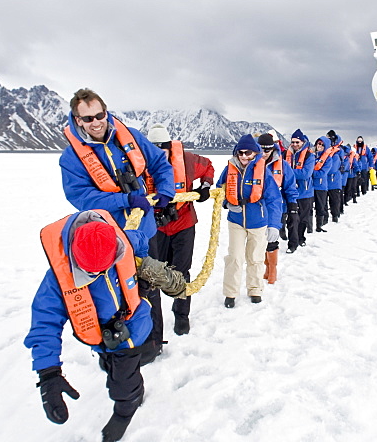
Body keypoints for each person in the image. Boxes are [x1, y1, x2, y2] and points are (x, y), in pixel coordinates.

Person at [23, 208, 187, 442]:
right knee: (111, 369)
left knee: (123, 383)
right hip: (102, 338)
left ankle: (126, 407)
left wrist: (149, 268)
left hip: (133, 330)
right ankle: (127, 385)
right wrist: (48, 373)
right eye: (91, 274)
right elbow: (44, 323)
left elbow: (140, 241)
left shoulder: (125, 240)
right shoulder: (58, 279)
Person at [58, 88, 175, 240]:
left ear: (106, 113)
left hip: (146, 230)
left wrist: (166, 190)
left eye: (99, 116)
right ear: (78, 120)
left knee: (157, 264)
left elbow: (160, 163)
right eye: (88, 119)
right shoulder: (71, 158)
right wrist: (126, 200)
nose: (96, 123)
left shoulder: (132, 136)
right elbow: (82, 197)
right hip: (109, 236)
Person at [145, 124, 214, 337]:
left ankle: (181, 315)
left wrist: (204, 186)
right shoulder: (138, 165)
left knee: (182, 272)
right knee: (152, 274)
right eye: (153, 151)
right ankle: (152, 323)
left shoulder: (188, 160)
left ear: (169, 148)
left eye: (161, 150)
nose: (158, 155)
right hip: (155, 227)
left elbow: (209, 166)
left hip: (183, 224)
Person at [217, 134, 282, 307]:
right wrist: (227, 204)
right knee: (235, 257)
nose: (244, 156)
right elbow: (219, 190)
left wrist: (275, 225)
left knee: (255, 258)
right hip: (236, 221)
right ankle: (230, 293)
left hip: (258, 222)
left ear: (255, 153)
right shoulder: (229, 169)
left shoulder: (263, 172)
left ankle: (255, 289)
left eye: (248, 153)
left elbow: (274, 199)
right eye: (241, 153)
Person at [257, 132, 293, 285]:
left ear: (273, 149)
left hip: (276, 207)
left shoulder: (282, 165)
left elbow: (290, 186)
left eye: (267, 150)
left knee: (272, 239)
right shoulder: (252, 163)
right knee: (259, 241)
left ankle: (272, 269)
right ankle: (265, 267)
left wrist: (293, 205)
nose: (264, 154)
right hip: (257, 209)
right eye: (261, 150)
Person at [285, 129, 314, 252]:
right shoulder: (287, 155)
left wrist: (288, 172)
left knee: (303, 219)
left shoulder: (309, 156)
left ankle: (301, 238)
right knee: (292, 219)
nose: (295, 144)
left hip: (305, 192)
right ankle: (292, 244)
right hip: (292, 192)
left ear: (302, 142)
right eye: (293, 142)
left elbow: (305, 174)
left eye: (297, 142)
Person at [310, 136, 338, 233]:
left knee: (320, 206)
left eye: (322, 144)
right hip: (310, 185)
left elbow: (322, 173)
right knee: (308, 207)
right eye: (319, 143)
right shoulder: (311, 155)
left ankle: (319, 225)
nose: (320, 146)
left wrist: (310, 172)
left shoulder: (328, 159)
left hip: (321, 186)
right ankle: (309, 227)